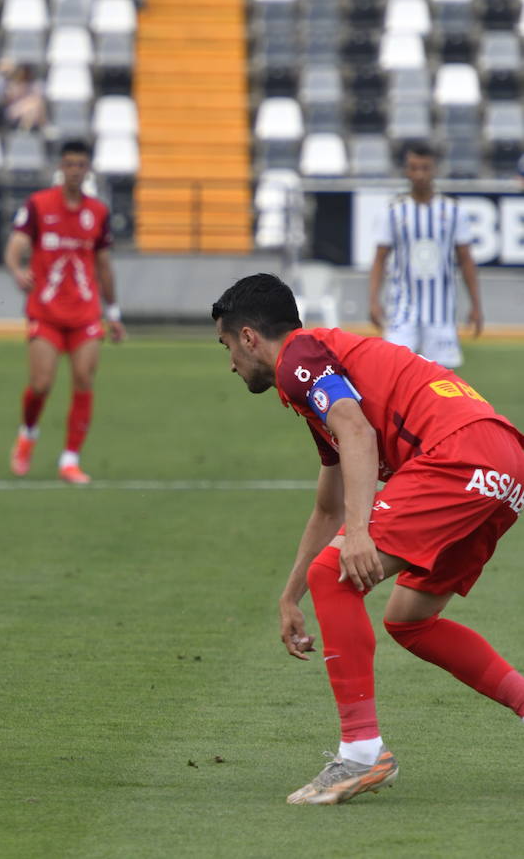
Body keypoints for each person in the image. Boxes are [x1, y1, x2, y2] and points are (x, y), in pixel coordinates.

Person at [212, 273, 524, 806]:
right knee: (411, 620)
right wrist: (290, 597)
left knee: (335, 578)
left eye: (226, 347)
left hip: (459, 455)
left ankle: (361, 752)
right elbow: (328, 505)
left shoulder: (297, 360)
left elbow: (358, 432)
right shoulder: (319, 378)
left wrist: (359, 533)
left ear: (247, 337)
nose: (230, 364)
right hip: (503, 464)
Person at [3, 140, 125, 483]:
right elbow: (16, 246)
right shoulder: (40, 205)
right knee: (41, 383)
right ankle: (27, 435)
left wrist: (112, 312)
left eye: (80, 165)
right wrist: (17, 269)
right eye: (69, 164)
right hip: (46, 310)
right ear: (61, 167)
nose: (74, 170)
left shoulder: (97, 213)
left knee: (84, 381)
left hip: (85, 313)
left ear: (88, 169)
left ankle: (70, 459)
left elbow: (104, 266)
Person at [368, 143, 483, 369]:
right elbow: (380, 259)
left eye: (425, 168)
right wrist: (373, 301)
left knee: (442, 379)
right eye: (413, 168)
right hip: (402, 308)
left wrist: (476, 305)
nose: (419, 174)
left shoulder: (453, 211)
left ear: (435, 169)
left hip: (439, 310)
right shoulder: (392, 211)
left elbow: (466, 260)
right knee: (394, 370)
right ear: (406, 170)